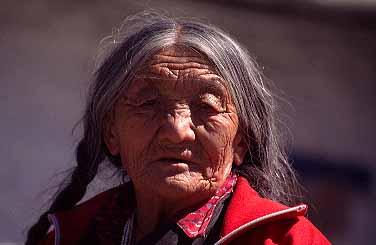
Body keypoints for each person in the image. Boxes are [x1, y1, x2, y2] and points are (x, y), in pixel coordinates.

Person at [26, 12, 330, 245]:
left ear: (241, 141)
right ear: (111, 133)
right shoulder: (67, 238)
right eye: (148, 104)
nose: (177, 131)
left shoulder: (286, 240)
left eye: (207, 106)